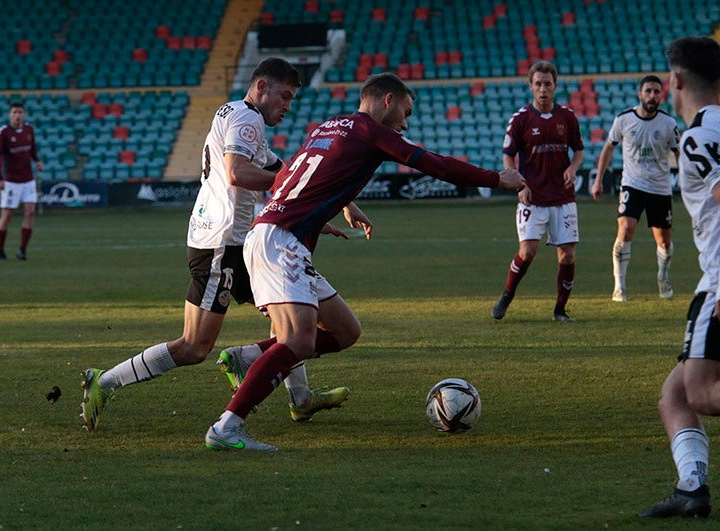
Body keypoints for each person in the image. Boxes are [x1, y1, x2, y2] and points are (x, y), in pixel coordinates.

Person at [203, 72, 525, 451]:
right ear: (386, 100)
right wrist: (496, 179)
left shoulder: (330, 126)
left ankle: (250, 358)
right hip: (280, 239)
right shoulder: (373, 131)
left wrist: (340, 206)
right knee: (298, 340)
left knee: (345, 331)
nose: (405, 124)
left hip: (280, 234)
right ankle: (227, 426)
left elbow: (301, 176)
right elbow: (432, 163)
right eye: (404, 112)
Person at [80, 58, 358, 432]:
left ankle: (301, 398)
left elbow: (287, 170)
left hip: (237, 242)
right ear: (261, 87)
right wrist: (297, 198)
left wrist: (333, 206)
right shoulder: (248, 119)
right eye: (285, 97)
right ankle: (106, 380)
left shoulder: (237, 114)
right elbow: (237, 173)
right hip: (222, 246)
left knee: (289, 317)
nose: (288, 107)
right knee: (194, 347)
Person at [638, 36, 720, 520]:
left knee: (699, 391)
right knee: (675, 394)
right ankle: (692, 488)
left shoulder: (698, 137)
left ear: (674, 81)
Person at [489, 60, 585, 323]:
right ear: (531, 86)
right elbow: (508, 156)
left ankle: (560, 311)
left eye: (548, 84)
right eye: (538, 84)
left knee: (567, 255)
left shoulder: (567, 116)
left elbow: (579, 150)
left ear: (555, 86)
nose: (543, 89)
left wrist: (573, 168)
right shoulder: (520, 120)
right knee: (527, 252)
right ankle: (507, 295)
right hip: (533, 197)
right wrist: (519, 184)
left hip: (563, 196)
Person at [591, 75, 681, 302]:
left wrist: (687, 181)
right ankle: (619, 286)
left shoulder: (669, 124)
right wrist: (598, 179)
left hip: (660, 187)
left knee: (664, 241)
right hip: (633, 183)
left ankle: (662, 276)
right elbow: (608, 148)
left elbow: (679, 153)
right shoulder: (623, 120)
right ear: (639, 94)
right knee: (625, 229)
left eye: (657, 92)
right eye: (648, 91)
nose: (652, 95)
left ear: (661, 96)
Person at [0, 100, 43, 261]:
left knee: (30, 212)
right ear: (10, 115)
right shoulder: (3, 132)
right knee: (7, 215)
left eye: (20, 112)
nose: (17, 115)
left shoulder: (29, 130)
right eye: (14, 112)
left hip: (28, 180)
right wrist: (0, 179)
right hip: (12, 181)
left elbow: (32, 148)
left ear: (24, 114)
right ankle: (0, 251)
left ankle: (22, 250)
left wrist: (37, 160)